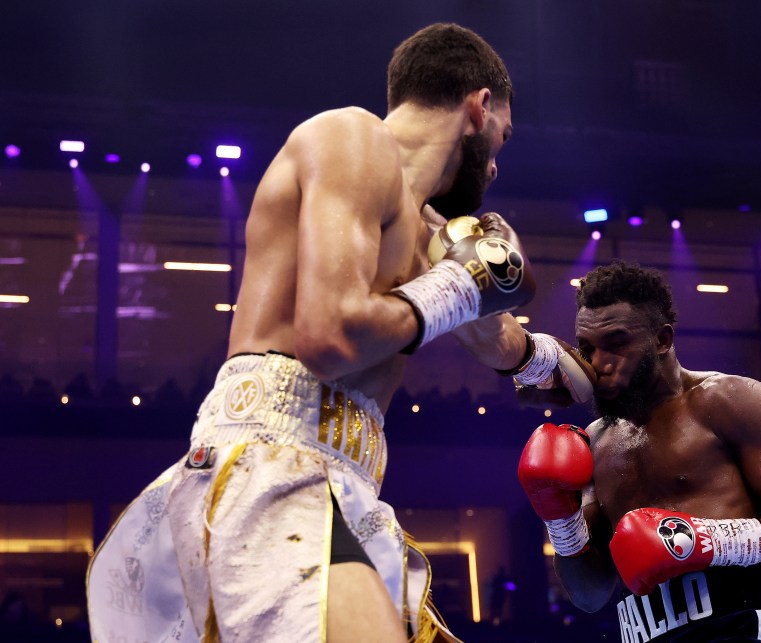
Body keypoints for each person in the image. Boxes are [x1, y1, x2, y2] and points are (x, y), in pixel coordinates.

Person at [87, 23, 593, 643]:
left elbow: (502, 343)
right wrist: (462, 285)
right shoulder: (352, 139)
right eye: (503, 139)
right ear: (478, 107)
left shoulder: (432, 232)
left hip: (337, 482)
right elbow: (330, 337)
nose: (494, 164)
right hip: (274, 460)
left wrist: (569, 368)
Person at [518, 260, 761, 642]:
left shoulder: (728, 400)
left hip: (738, 631)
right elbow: (589, 595)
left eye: (617, 343)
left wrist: (706, 542)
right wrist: (560, 520)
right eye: (588, 348)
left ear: (662, 340)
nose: (598, 364)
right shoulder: (594, 442)